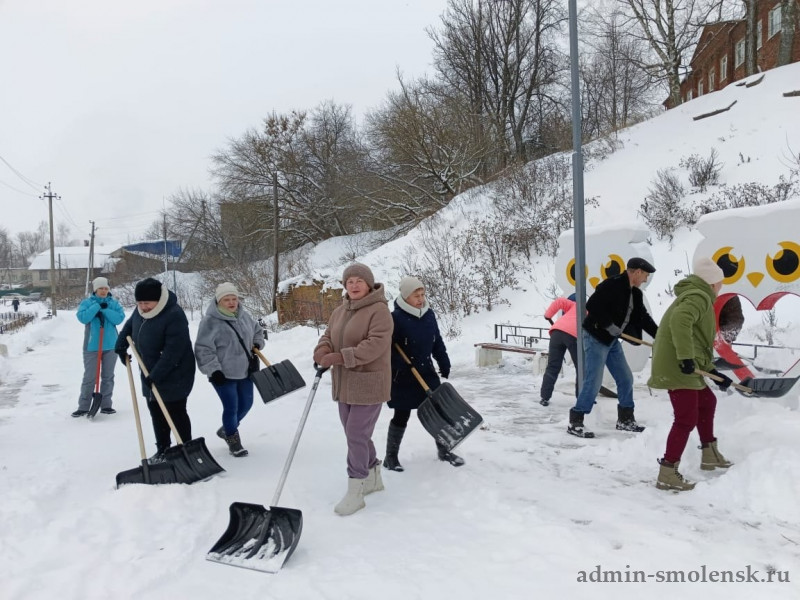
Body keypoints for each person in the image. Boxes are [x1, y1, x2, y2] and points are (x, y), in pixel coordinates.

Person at [313, 263, 393, 516]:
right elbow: (328, 335)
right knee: (356, 434)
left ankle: (355, 489)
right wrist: (322, 350)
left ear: (368, 284)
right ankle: (373, 477)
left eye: (359, 281)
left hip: (369, 383)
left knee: (356, 434)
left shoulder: (379, 311)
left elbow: (375, 345)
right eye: (349, 281)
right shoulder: (340, 311)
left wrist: (339, 357)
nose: (354, 285)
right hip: (344, 383)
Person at [648, 257, 734, 491]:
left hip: (683, 362)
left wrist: (712, 371)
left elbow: (696, 340)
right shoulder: (699, 296)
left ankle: (709, 454)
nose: (721, 286)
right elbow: (680, 321)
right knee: (686, 418)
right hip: (678, 365)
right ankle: (667, 472)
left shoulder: (696, 295)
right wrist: (686, 358)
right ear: (713, 283)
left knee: (707, 401)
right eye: (720, 282)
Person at [568, 257, 659, 438]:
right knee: (594, 380)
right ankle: (575, 421)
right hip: (595, 337)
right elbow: (592, 305)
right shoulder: (613, 284)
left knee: (625, 378)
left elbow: (643, 318)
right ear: (637, 272)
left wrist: (660, 336)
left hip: (611, 341)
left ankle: (625, 419)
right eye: (645, 275)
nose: (645, 279)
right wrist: (608, 325)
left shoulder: (636, 294)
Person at [115, 278, 195, 462]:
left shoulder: (174, 315)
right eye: (140, 303)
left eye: (147, 303)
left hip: (175, 372)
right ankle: (163, 449)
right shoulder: (140, 311)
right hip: (149, 369)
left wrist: (156, 375)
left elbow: (174, 351)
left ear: (159, 300)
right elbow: (129, 327)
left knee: (175, 412)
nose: (143, 307)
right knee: (156, 411)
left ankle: (186, 449)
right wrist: (120, 346)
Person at [384, 276, 457, 472]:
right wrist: (399, 363)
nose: (421, 299)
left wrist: (443, 361)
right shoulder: (394, 318)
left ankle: (444, 450)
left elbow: (436, 341)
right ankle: (391, 457)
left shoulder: (429, 315)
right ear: (405, 296)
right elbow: (387, 347)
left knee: (438, 411)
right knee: (402, 415)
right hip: (403, 375)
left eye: (423, 294)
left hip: (426, 372)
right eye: (416, 295)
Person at [194, 282, 265, 457]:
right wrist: (213, 370)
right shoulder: (210, 322)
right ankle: (233, 439)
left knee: (246, 404)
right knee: (231, 407)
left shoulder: (244, 316)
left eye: (234, 298)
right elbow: (203, 348)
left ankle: (227, 428)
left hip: (245, 370)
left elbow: (258, 331)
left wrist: (257, 343)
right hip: (222, 374)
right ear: (219, 301)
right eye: (227, 299)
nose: (232, 302)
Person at [72, 277, 125, 417]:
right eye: (101, 288)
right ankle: (83, 406)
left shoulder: (113, 303)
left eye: (106, 288)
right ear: (95, 289)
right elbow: (83, 318)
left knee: (108, 376)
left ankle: (106, 405)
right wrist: (96, 307)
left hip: (111, 346)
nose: (103, 291)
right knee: (90, 377)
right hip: (92, 346)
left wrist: (105, 310)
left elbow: (119, 318)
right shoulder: (87, 303)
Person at [539, 293, 579, 407]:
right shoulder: (588, 308)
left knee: (553, 366)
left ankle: (544, 397)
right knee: (581, 368)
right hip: (573, 336)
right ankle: (582, 398)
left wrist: (548, 315)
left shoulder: (572, 305)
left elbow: (559, 301)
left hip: (556, 332)